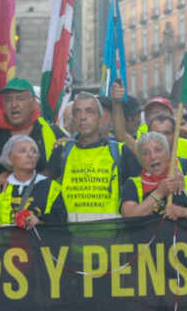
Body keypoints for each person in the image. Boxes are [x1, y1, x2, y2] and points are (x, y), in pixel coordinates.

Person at [47, 92, 139, 222]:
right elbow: (43, 187)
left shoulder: (121, 152)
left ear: (100, 118)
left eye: (89, 111)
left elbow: (143, 185)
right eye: (77, 112)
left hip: (112, 239)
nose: (82, 117)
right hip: (70, 239)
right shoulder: (61, 152)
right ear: (73, 118)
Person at [0, 79, 65, 181]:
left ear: (33, 103)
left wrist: (11, 177)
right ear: (3, 104)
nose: (14, 104)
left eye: (20, 98)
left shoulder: (53, 133)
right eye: (8, 99)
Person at [120, 131, 187, 221]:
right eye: (145, 153)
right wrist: (159, 193)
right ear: (139, 159)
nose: (153, 157)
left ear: (169, 154)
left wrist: (185, 212)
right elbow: (129, 216)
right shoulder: (133, 184)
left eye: (158, 150)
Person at [0, 134, 66, 227]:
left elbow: (60, 219)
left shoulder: (51, 187)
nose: (30, 155)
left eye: (34, 151)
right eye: (22, 151)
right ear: (9, 157)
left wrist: (40, 221)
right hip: (5, 240)